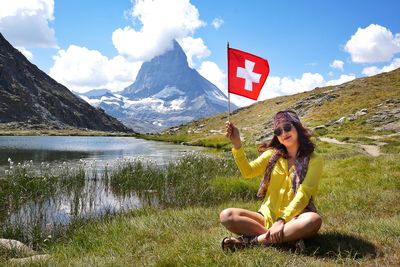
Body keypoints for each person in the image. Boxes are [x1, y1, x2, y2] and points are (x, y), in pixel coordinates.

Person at [220, 110, 323, 251]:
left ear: (296, 126)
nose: (283, 133)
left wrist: (282, 220)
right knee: (227, 216)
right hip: (266, 216)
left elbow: (304, 194)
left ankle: (248, 242)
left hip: (295, 218)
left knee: (313, 220)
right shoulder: (272, 155)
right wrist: (237, 145)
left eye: (287, 127)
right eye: (278, 131)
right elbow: (248, 172)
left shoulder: (314, 159)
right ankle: (286, 240)